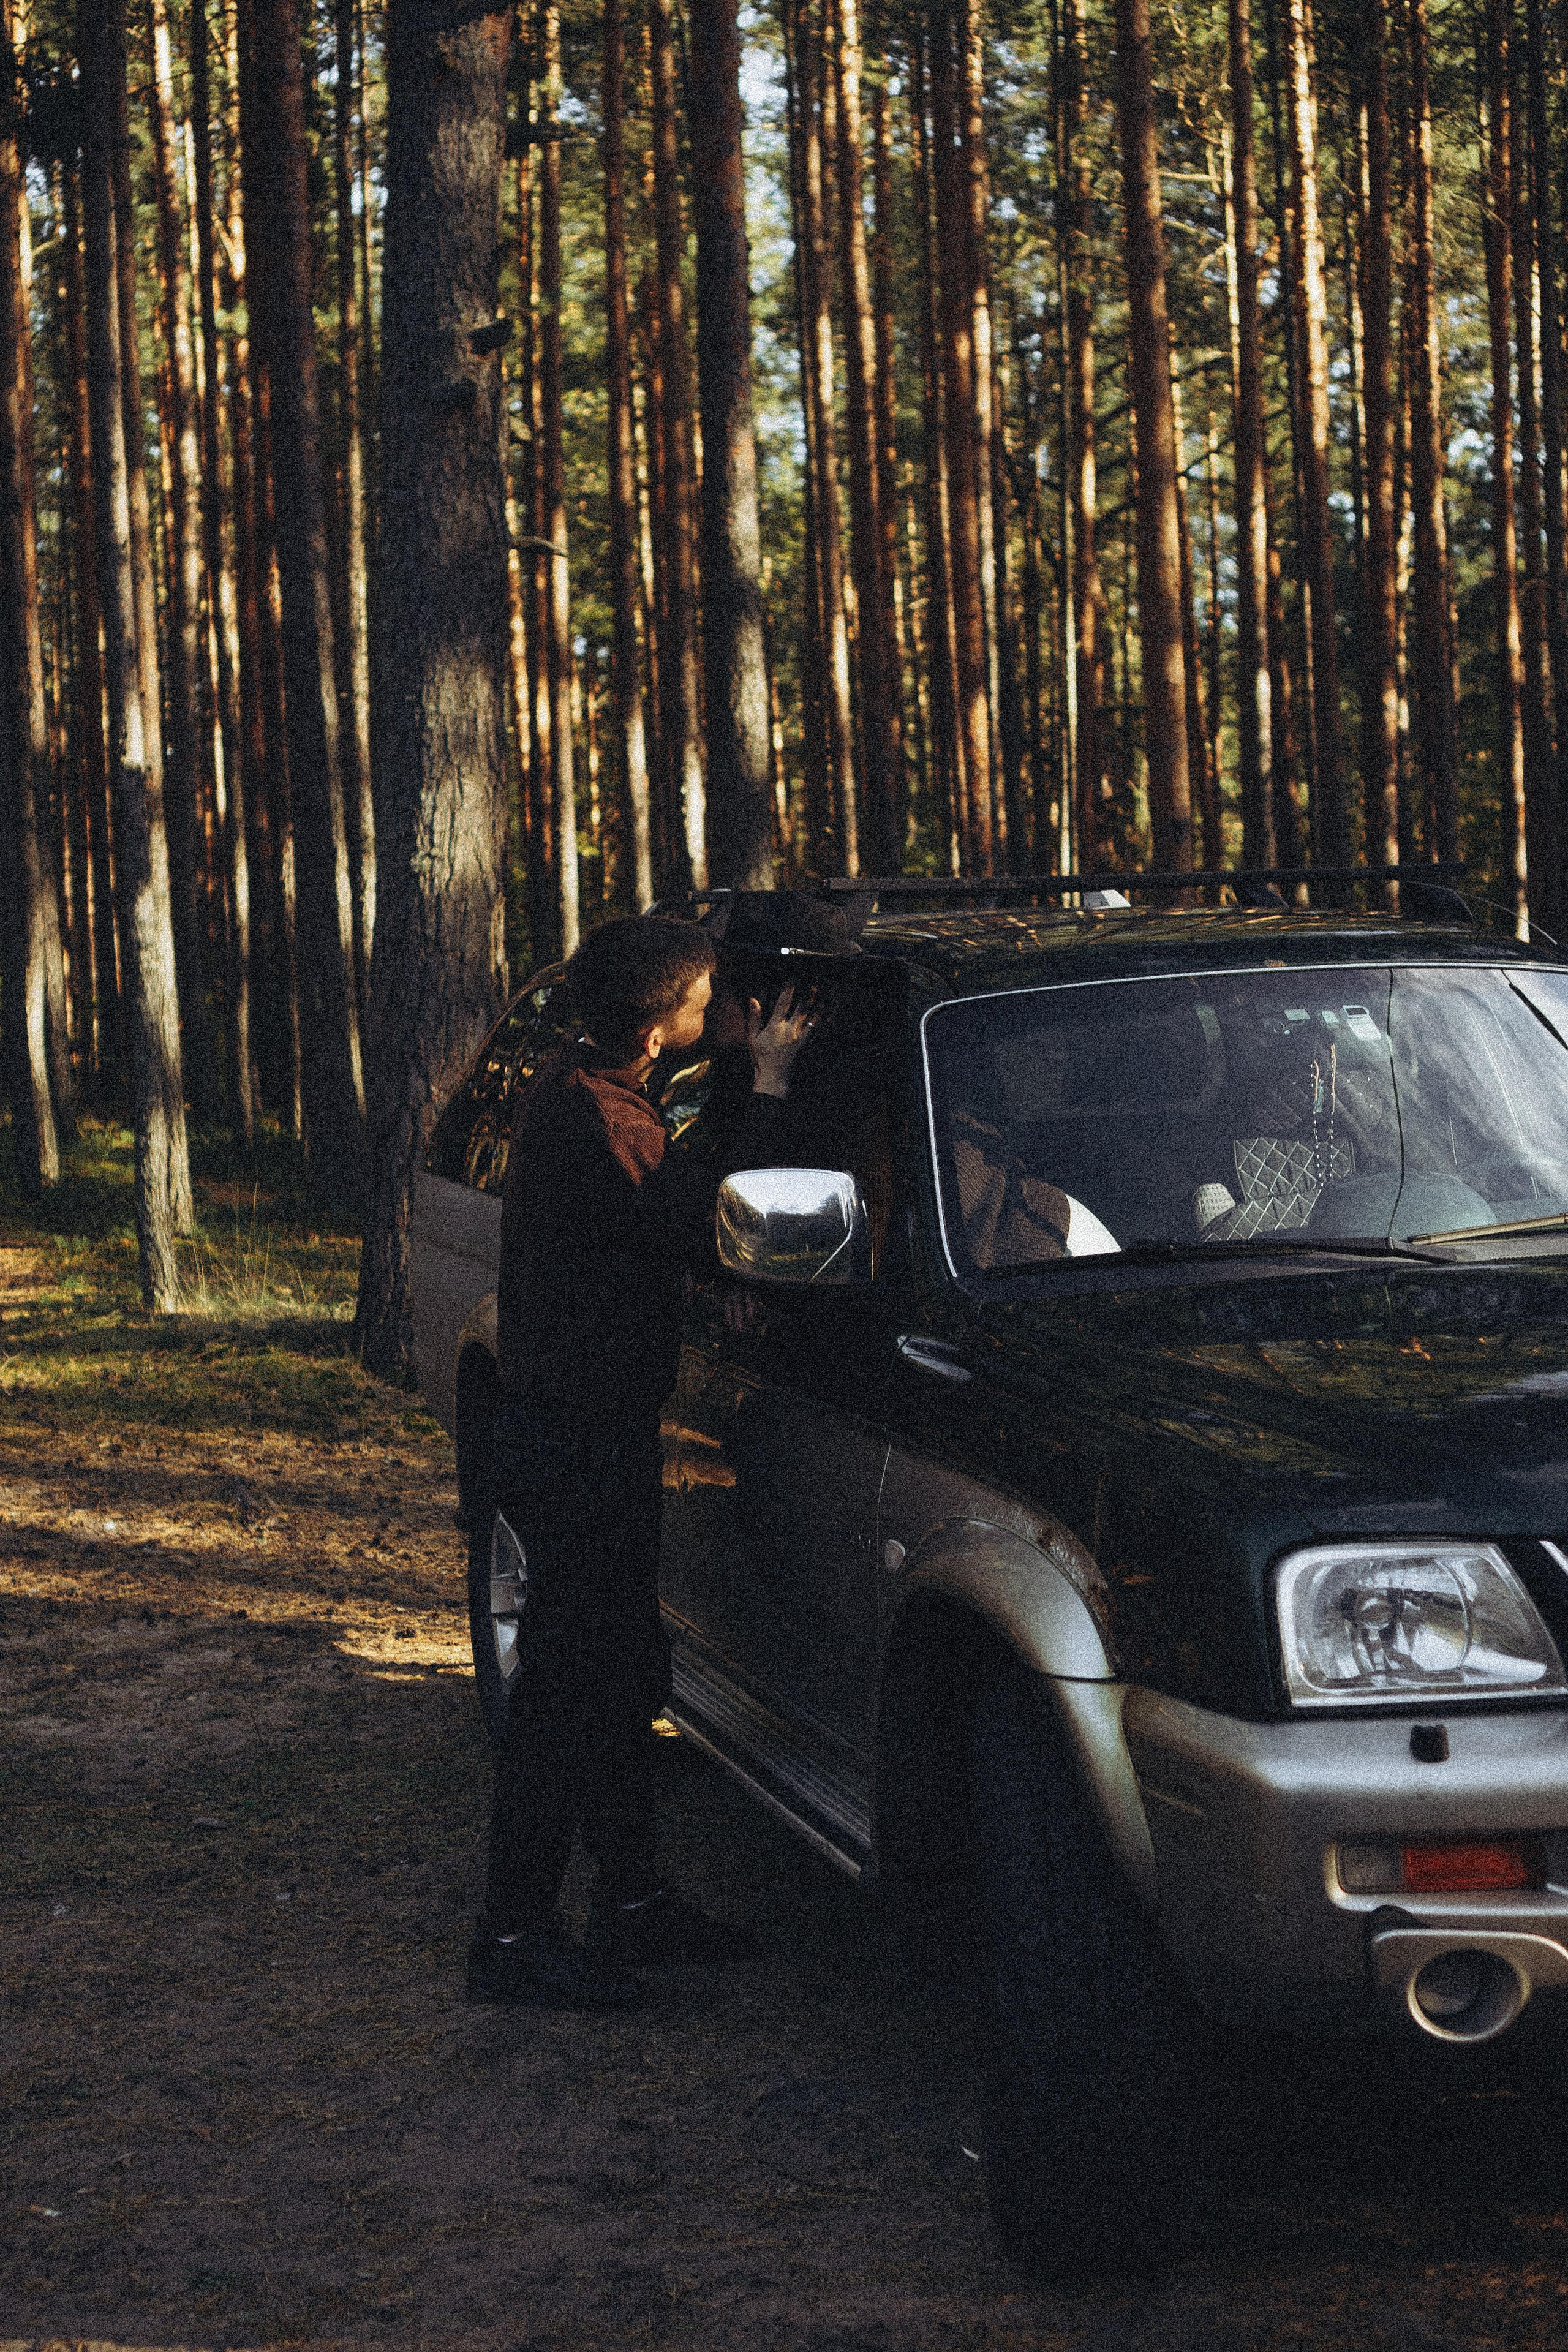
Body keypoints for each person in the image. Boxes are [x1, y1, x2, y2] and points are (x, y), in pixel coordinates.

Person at [467, 914, 815, 2011]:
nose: (728, 1011)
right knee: (570, 1687)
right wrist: (765, 1085)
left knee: (620, 1672)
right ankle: (514, 1938)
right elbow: (705, 1219)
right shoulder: (600, 1120)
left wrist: (725, 1068)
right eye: (710, 1000)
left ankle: (629, 1900)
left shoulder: (596, 1087)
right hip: (573, 1442)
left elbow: (662, 1192)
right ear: (661, 1030)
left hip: (582, 1429)